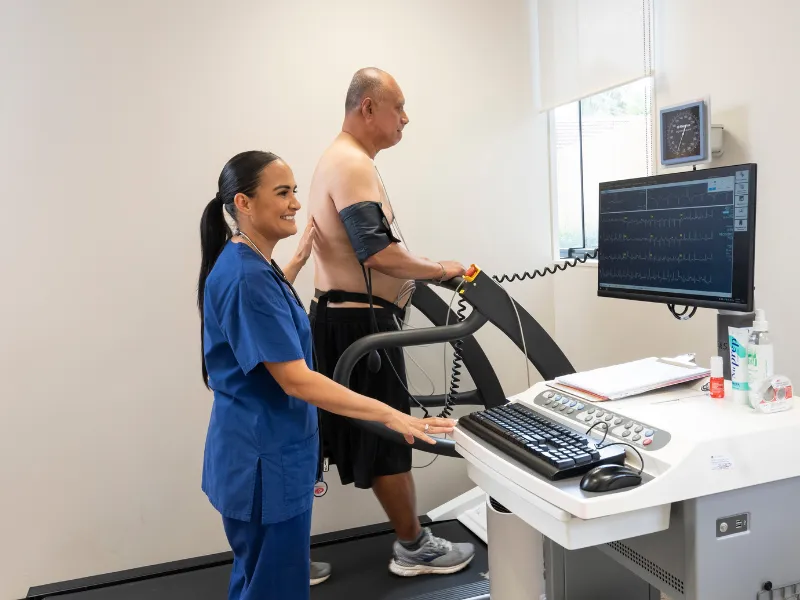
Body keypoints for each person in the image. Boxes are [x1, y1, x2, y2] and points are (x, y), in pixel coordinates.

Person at [197, 150, 456, 600]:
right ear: (243, 203)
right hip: (265, 463)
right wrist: (390, 415)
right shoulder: (248, 279)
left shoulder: (248, 264)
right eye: (282, 193)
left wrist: (295, 263)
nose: (297, 202)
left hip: (255, 455)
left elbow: (267, 307)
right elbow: (296, 380)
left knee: (255, 579)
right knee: (274, 589)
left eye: (296, 190)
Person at [307, 68, 475, 577]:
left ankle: (281, 558)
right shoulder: (352, 164)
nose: (406, 118)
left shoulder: (341, 159)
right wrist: (442, 268)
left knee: (346, 435)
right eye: (398, 107)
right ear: (368, 109)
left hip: (346, 320)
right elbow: (377, 251)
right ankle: (413, 547)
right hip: (360, 329)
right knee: (389, 432)